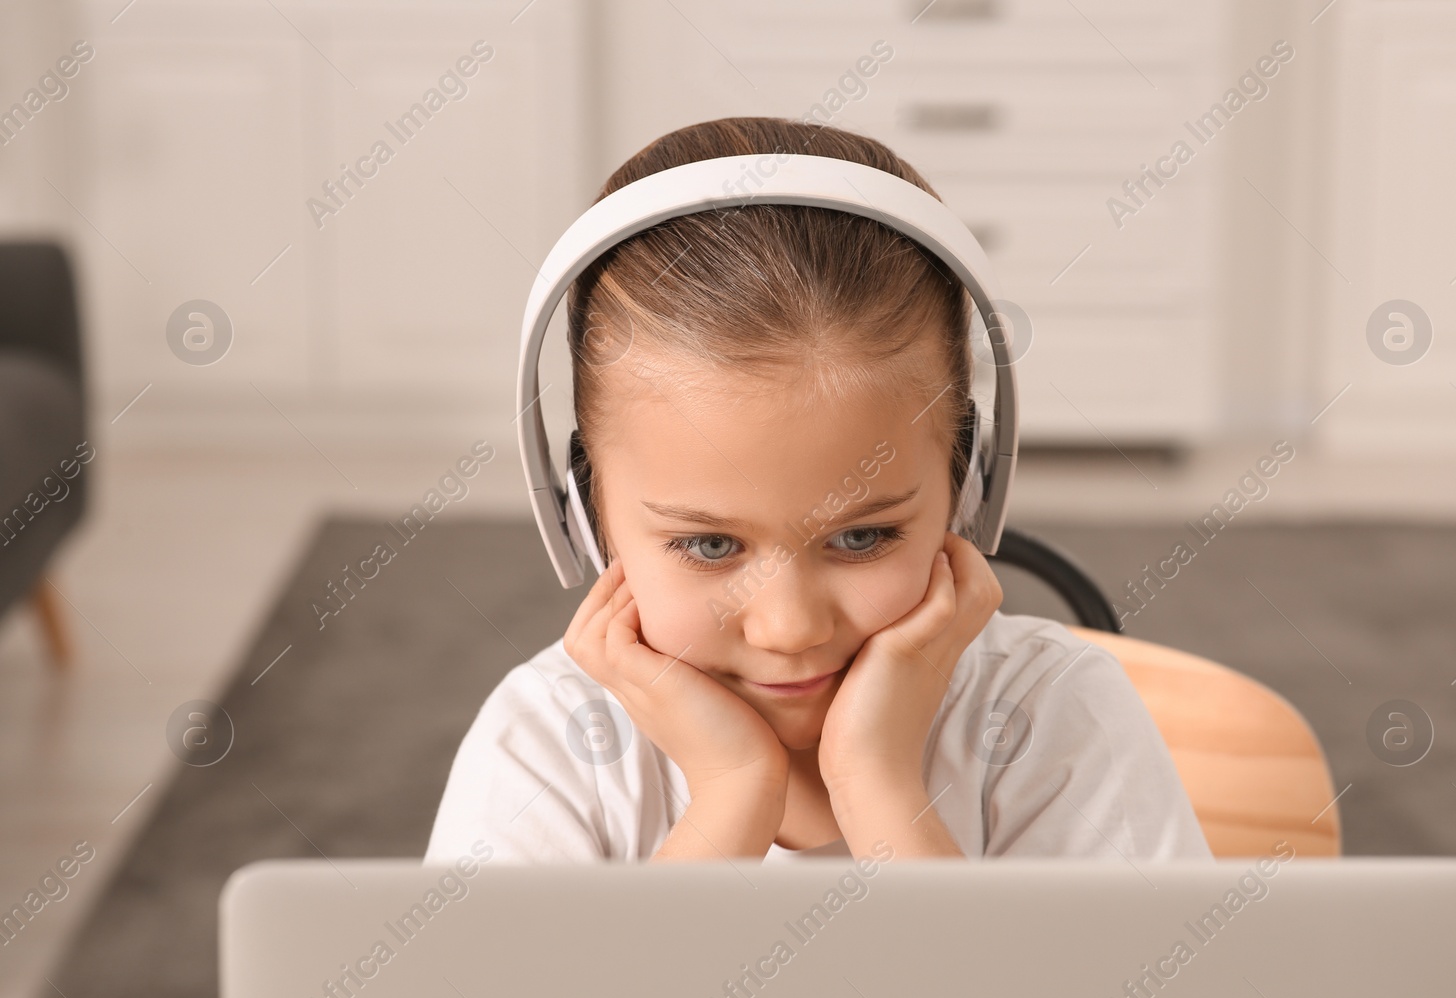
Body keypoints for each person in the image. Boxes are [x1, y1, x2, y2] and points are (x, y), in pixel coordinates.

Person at [424, 116, 1212, 864]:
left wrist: (879, 785)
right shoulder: (545, 744)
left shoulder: (1057, 716)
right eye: (708, 544)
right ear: (585, 519)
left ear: (966, 488)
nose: (789, 627)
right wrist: (732, 799)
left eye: (862, 536)